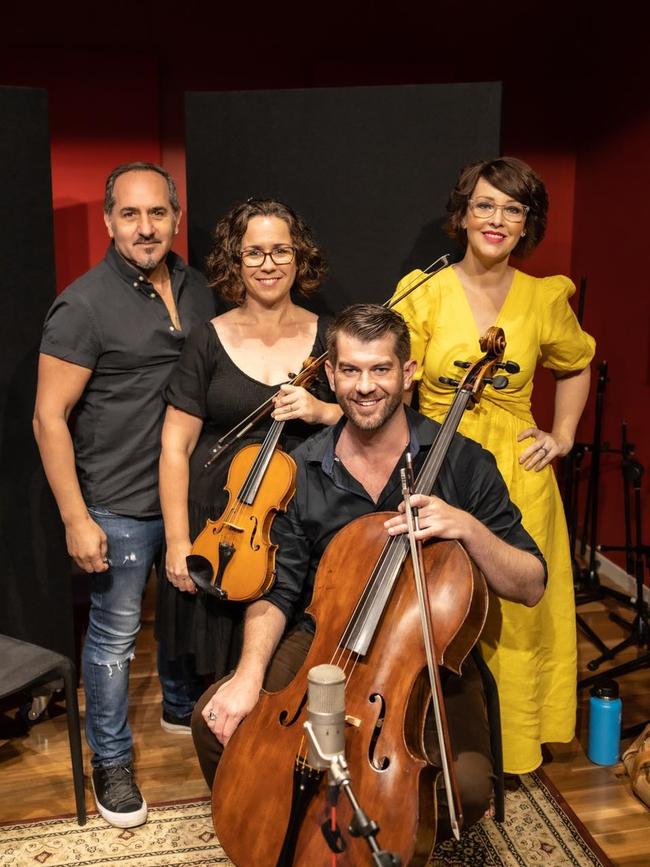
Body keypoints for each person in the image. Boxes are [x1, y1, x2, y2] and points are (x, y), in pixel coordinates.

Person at [191, 304, 546, 845]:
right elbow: (278, 589)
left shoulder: (465, 463)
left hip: (425, 647)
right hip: (325, 640)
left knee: (464, 786)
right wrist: (246, 677)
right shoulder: (303, 467)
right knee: (216, 720)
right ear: (330, 375)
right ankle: (289, 839)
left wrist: (468, 528)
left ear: (409, 373)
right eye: (351, 370)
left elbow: (531, 583)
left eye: (380, 369)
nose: (365, 386)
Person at [391, 156, 595, 775]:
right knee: (432, 603)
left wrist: (560, 436)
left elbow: (577, 361)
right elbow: (399, 385)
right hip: (440, 457)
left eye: (513, 208)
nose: (497, 219)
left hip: (518, 467)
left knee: (516, 610)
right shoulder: (422, 290)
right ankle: (425, 738)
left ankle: (510, 746)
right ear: (463, 213)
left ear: (527, 222)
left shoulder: (542, 297)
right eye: (485, 204)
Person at [33, 162, 216, 828]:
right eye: (131, 214)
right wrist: (76, 518)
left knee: (183, 608)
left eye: (158, 213)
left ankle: (176, 701)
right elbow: (47, 417)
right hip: (116, 499)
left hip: (188, 496)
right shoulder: (83, 304)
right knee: (112, 639)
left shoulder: (197, 287)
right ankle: (109, 759)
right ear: (109, 221)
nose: (146, 227)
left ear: (175, 217)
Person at [157, 199, 342, 697]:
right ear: (235, 261)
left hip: (304, 519)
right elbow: (176, 446)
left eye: (281, 250)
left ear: (299, 257)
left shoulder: (330, 337)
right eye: (254, 252)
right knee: (221, 676)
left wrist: (322, 410)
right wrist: (178, 541)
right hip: (226, 521)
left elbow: (379, 415)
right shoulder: (207, 340)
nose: (268, 264)